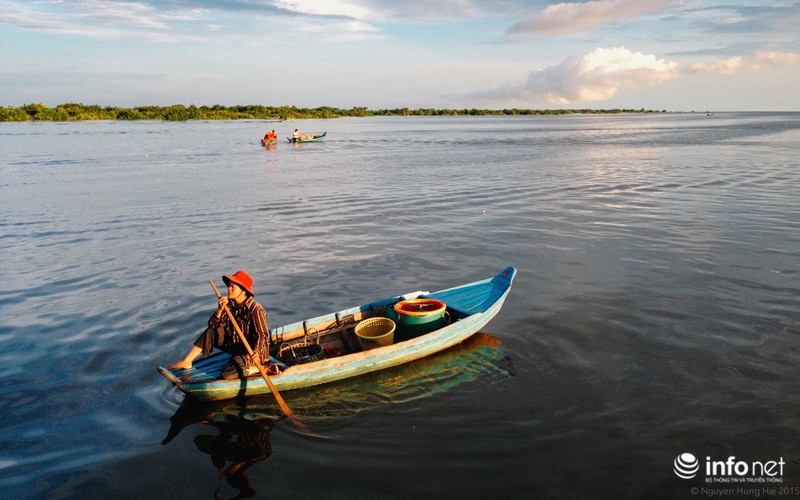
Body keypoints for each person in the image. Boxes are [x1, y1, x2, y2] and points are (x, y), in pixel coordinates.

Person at [168, 271, 272, 379]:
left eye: (233, 287)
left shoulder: (255, 310)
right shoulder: (229, 305)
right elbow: (212, 325)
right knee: (212, 330)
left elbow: (262, 335)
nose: (229, 289)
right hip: (235, 346)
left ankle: (264, 368)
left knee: (227, 374)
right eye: (229, 286)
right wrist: (220, 310)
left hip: (252, 353)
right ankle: (187, 361)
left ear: (243, 291)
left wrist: (256, 352)